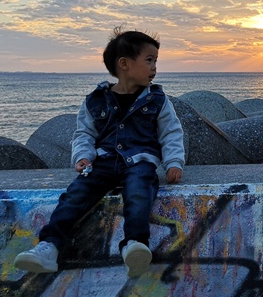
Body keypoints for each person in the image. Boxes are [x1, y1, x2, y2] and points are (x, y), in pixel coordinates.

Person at [14, 28, 185, 278]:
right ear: (124, 64)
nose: (154, 67)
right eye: (149, 60)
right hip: (102, 162)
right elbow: (84, 134)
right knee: (75, 194)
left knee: (139, 193)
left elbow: (171, 132)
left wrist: (174, 162)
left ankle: (135, 244)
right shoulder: (95, 100)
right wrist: (82, 157)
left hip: (140, 162)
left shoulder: (158, 100)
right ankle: (49, 246)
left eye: (155, 61)